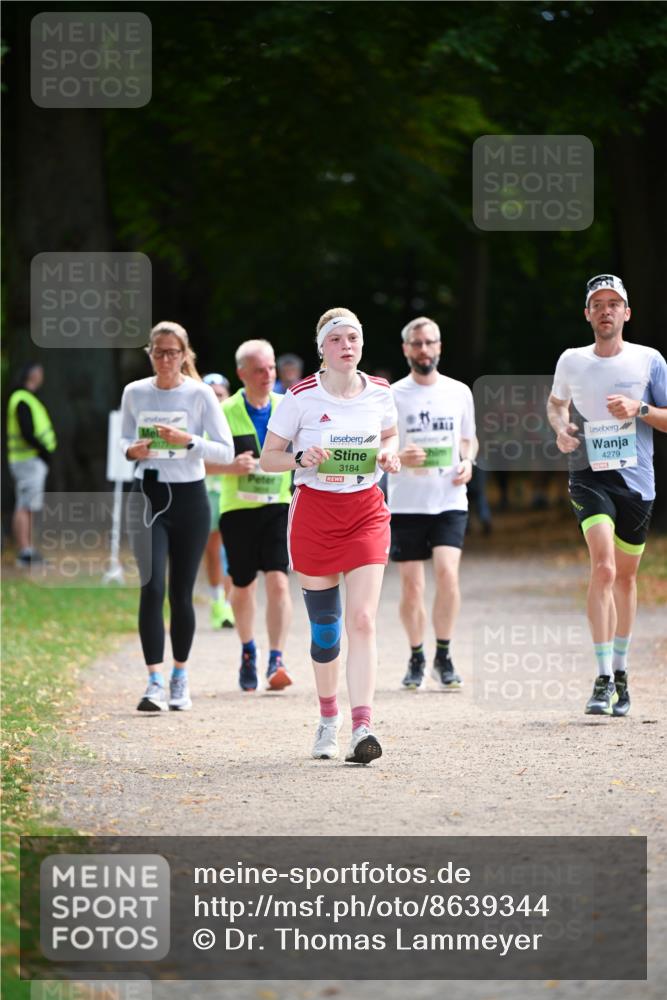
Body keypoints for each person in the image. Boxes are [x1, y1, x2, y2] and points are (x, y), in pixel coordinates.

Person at [260, 307, 401, 764]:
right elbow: (269, 458)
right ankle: (327, 719)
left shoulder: (380, 393)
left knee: (362, 619)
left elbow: (390, 437)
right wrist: (301, 457)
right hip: (315, 514)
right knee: (326, 631)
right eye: (337, 339)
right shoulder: (299, 397)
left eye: (354, 338)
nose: (347, 346)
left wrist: (388, 456)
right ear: (322, 347)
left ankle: (363, 727)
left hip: (365, 511)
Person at [547, 274, 667, 717]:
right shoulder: (572, 360)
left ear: (626, 313)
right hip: (588, 475)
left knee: (627, 578)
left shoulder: (649, 360)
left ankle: (621, 672)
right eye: (597, 303)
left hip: (637, 482)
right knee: (603, 566)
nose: (605, 310)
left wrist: (641, 410)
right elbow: (557, 404)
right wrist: (561, 430)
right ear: (587, 314)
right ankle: (600, 679)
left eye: (613, 303)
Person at [120, 322, 234, 712]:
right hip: (148, 495)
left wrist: (186, 441)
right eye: (158, 351)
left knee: (180, 593)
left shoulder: (200, 394)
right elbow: (123, 439)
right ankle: (153, 680)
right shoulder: (134, 392)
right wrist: (131, 450)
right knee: (151, 588)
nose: (165, 359)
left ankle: (179, 676)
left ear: (185, 355)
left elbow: (226, 451)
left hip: (189, 499)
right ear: (149, 353)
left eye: (172, 352)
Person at [387, 317, 476, 691]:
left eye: (430, 343)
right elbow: (383, 444)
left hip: (449, 498)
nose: (424, 350)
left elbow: (469, 440)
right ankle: (416, 654)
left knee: (447, 574)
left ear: (439, 346)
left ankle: (443, 653)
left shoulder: (458, 392)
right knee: (412, 587)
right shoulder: (392, 394)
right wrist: (397, 455)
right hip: (406, 502)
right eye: (417, 344)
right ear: (407, 349)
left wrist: (467, 462)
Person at [208, 341, 294, 692]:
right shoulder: (223, 411)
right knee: (243, 585)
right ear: (241, 373)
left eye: (271, 368)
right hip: (238, 508)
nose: (267, 375)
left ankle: (277, 658)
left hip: (279, 504)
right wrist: (229, 466)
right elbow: (199, 461)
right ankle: (248, 650)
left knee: (279, 580)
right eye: (259, 370)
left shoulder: (286, 406)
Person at [7, 362, 57, 566]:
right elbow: (27, 431)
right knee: (25, 505)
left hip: (29, 460)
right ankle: (24, 551)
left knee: (28, 505)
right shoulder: (22, 399)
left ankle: (28, 549)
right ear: (32, 375)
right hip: (27, 460)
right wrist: (42, 451)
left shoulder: (27, 399)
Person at [202, 373, 235, 629]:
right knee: (213, 551)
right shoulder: (196, 422)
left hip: (233, 492)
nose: (216, 399)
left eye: (220, 395)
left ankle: (228, 604)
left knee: (232, 551)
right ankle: (217, 602)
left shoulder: (233, 420)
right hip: (206, 493)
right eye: (211, 394)